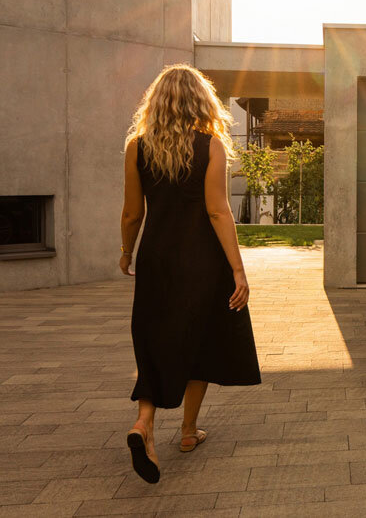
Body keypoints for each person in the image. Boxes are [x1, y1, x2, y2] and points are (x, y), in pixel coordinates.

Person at [119, 64, 261, 483]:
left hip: (156, 263)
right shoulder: (211, 145)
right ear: (202, 100)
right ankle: (186, 431)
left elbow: (132, 212)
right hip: (202, 263)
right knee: (199, 340)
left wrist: (127, 252)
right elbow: (219, 211)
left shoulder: (137, 147)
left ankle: (143, 424)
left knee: (154, 341)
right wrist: (238, 270)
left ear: (157, 101)